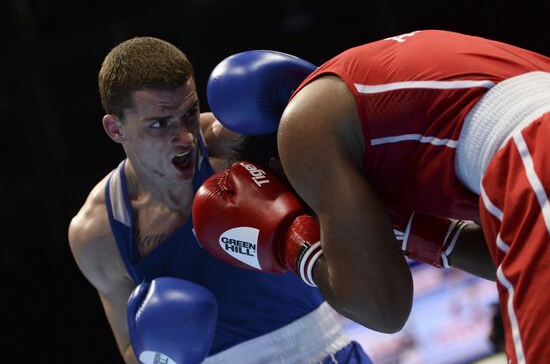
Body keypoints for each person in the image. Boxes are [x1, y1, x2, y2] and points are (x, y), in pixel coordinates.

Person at [196, 30, 550, 364]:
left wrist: (294, 242)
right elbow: (507, 253)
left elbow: (383, 307)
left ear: (279, 166)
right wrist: (416, 231)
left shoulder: (302, 127)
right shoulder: (379, 110)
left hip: (533, 149)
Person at [68, 36, 373, 364]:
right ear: (116, 129)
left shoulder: (239, 142)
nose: (185, 137)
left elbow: (356, 135)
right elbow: (132, 352)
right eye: (160, 124)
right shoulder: (98, 232)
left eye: (189, 112)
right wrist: (161, 347)